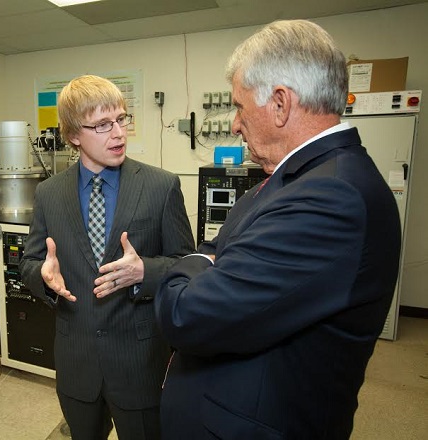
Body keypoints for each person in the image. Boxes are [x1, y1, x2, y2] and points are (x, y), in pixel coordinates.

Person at [154, 20, 402, 439]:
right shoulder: (291, 178)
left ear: (281, 104)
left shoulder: (330, 197)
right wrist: (209, 259)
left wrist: (192, 264)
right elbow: (217, 245)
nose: (234, 123)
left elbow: (186, 313)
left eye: (239, 106)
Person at [19, 74, 195, 440]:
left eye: (121, 119)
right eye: (101, 125)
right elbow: (30, 263)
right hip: (76, 360)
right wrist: (44, 278)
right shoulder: (50, 194)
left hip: (140, 364)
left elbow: (187, 265)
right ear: (72, 135)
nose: (117, 133)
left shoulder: (161, 186)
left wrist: (145, 271)